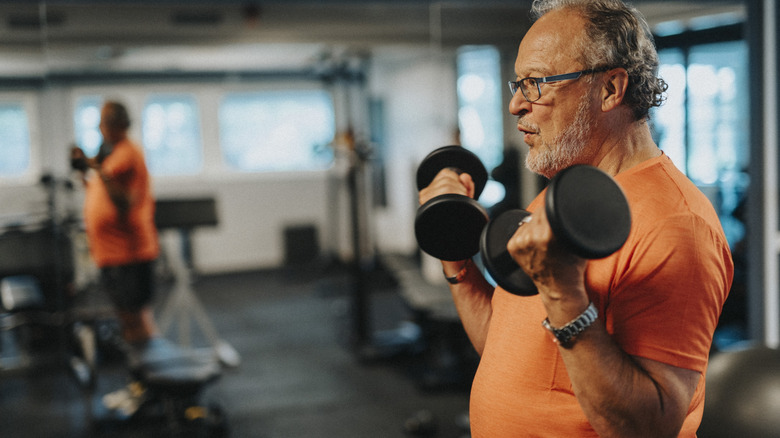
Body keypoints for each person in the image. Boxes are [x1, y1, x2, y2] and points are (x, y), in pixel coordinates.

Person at [418, 1, 733, 437]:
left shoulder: (677, 225)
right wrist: (455, 256)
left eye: (534, 84)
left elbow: (650, 426)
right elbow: (505, 349)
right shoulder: (561, 198)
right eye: (517, 84)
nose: (514, 105)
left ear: (610, 89)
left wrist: (563, 293)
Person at [71, 100, 160, 348]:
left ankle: (152, 376)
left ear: (119, 124)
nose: (101, 128)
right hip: (111, 252)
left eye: (105, 122)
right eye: (100, 123)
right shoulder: (112, 157)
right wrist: (84, 170)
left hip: (128, 253)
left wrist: (100, 170)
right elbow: (98, 194)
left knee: (136, 320)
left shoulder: (128, 154)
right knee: (126, 317)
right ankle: (143, 376)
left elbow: (124, 203)